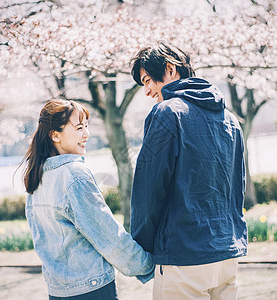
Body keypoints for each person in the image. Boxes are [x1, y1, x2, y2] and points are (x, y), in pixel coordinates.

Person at [130, 41, 248, 300]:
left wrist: (141, 247)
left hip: (183, 256)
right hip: (227, 253)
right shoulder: (230, 120)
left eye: (148, 80)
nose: (148, 91)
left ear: (171, 69)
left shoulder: (166, 113)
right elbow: (237, 187)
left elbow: (148, 191)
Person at [22, 99, 154, 300]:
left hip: (57, 292)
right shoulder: (74, 175)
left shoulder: (36, 178)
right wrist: (147, 265)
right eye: (79, 128)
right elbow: (108, 235)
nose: (87, 134)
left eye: (86, 126)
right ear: (55, 135)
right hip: (92, 290)